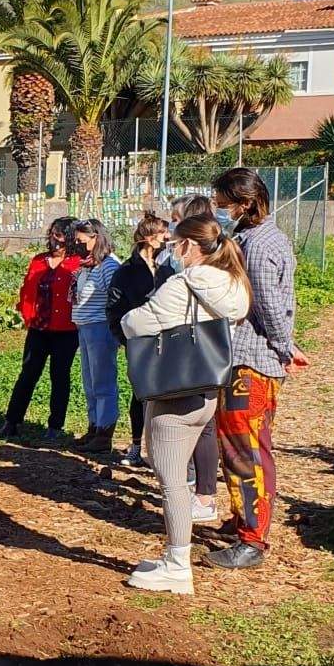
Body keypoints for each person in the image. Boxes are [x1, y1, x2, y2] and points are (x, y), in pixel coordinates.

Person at [122, 213, 252, 594]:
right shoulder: (232, 284)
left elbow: (141, 322)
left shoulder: (183, 284)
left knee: (172, 483)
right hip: (206, 391)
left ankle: (177, 565)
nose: (172, 249)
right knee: (176, 479)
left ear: (190, 246)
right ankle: (173, 559)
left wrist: (127, 318)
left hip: (173, 392)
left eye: (176, 243)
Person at [207, 166, 308, 570]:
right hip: (242, 359)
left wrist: (285, 347)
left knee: (247, 450)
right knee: (235, 448)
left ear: (245, 203)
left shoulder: (260, 245)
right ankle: (243, 518)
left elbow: (268, 305)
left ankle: (253, 539)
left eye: (223, 203)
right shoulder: (249, 237)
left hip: (252, 363)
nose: (218, 208)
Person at [160, 193, 222, 519]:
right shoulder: (175, 261)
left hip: (197, 349)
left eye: (175, 219)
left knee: (202, 423)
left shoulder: (205, 270)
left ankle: (204, 496)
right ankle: (184, 486)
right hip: (179, 346)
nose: (170, 227)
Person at [1, 218, 83, 440]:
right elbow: (26, 291)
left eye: (60, 236)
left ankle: (55, 426)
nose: (55, 240)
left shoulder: (77, 263)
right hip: (39, 328)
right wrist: (27, 315)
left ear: (71, 238)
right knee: (28, 373)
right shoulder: (38, 261)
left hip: (66, 330)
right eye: (53, 234)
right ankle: (11, 421)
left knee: (59, 376)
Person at [105, 211, 168, 468]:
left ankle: (160, 450)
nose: (167, 238)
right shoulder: (126, 271)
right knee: (139, 393)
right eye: (163, 233)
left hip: (167, 341)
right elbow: (114, 307)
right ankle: (135, 446)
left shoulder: (166, 269)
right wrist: (125, 337)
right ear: (150, 238)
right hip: (139, 341)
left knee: (164, 393)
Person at [70, 219, 120, 454]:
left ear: (96, 238)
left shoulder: (108, 265)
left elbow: (115, 297)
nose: (78, 245)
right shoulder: (88, 265)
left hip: (101, 327)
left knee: (103, 381)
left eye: (82, 241)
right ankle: (94, 426)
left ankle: (104, 431)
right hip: (85, 326)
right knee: (90, 382)